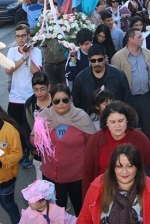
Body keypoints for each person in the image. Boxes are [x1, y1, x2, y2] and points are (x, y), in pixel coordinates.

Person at [34, 84, 96, 216]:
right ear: (52, 101)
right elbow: (34, 139)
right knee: (56, 213)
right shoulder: (44, 117)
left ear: (70, 99)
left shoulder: (81, 117)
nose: (61, 104)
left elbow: (92, 144)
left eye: (65, 100)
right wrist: (38, 139)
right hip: (51, 177)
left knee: (82, 210)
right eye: (56, 101)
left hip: (77, 178)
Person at [81, 102, 150, 198]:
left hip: (135, 196)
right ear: (106, 122)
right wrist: (87, 201)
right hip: (104, 196)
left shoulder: (139, 138)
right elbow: (87, 175)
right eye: (113, 122)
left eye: (121, 121)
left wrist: (135, 178)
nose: (117, 125)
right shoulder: (96, 140)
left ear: (127, 120)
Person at [78, 143, 150, 224]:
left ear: (138, 167)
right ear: (113, 168)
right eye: (119, 166)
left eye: (130, 166)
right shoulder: (97, 187)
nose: (124, 172)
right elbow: (84, 220)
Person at [112, 27, 150, 139]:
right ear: (130, 39)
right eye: (139, 37)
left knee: (147, 127)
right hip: (128, 98)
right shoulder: (118, 57)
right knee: (129, 127)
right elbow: (115, 82)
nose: (142, 38)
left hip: (145, 97)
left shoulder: (148, 54)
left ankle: (146, 150)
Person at [5, 23, 42, 164]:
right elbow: (8, 69)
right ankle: (19, 151)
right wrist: (22, 57)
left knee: (29, 127)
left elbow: (37, 73)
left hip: (29, 96)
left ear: (28, 36)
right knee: (15, 127)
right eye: (18, 37)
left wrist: (28, 58)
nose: (20, 39)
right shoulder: (12, 51)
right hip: (15, 97)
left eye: (23, 36)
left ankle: (29, 152)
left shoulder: (36, 52)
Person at [72, 45, 132, 115]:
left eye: (100, 60)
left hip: (115, 118)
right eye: (93, 61)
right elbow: (76, 104)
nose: (97, 63)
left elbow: (127, 101)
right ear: (89, 60)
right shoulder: (80, 78)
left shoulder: (119, 75)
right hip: (89, 120)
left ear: (105, 58)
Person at [25, 72, 52, 179]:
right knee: (42, 182)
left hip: (55, 147)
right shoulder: (30, 104)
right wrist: (32, 147)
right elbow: (27, 127)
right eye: (36, 89)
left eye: (42, 89)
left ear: (48, 87)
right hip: (39, 150)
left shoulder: (56, 100)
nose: (39, 93)